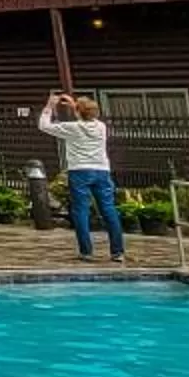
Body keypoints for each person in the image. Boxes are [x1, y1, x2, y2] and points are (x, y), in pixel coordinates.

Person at [38, 89, 124, 262]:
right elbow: (86, 117)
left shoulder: (72, 128)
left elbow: (44, 126)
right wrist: (75, 106)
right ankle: (117, 251)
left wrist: (49, 106)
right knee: (108, 209)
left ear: (78, 112)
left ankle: (86, 251)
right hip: (101, 170)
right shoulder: (101, 127)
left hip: (80, 171)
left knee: (81, 210)